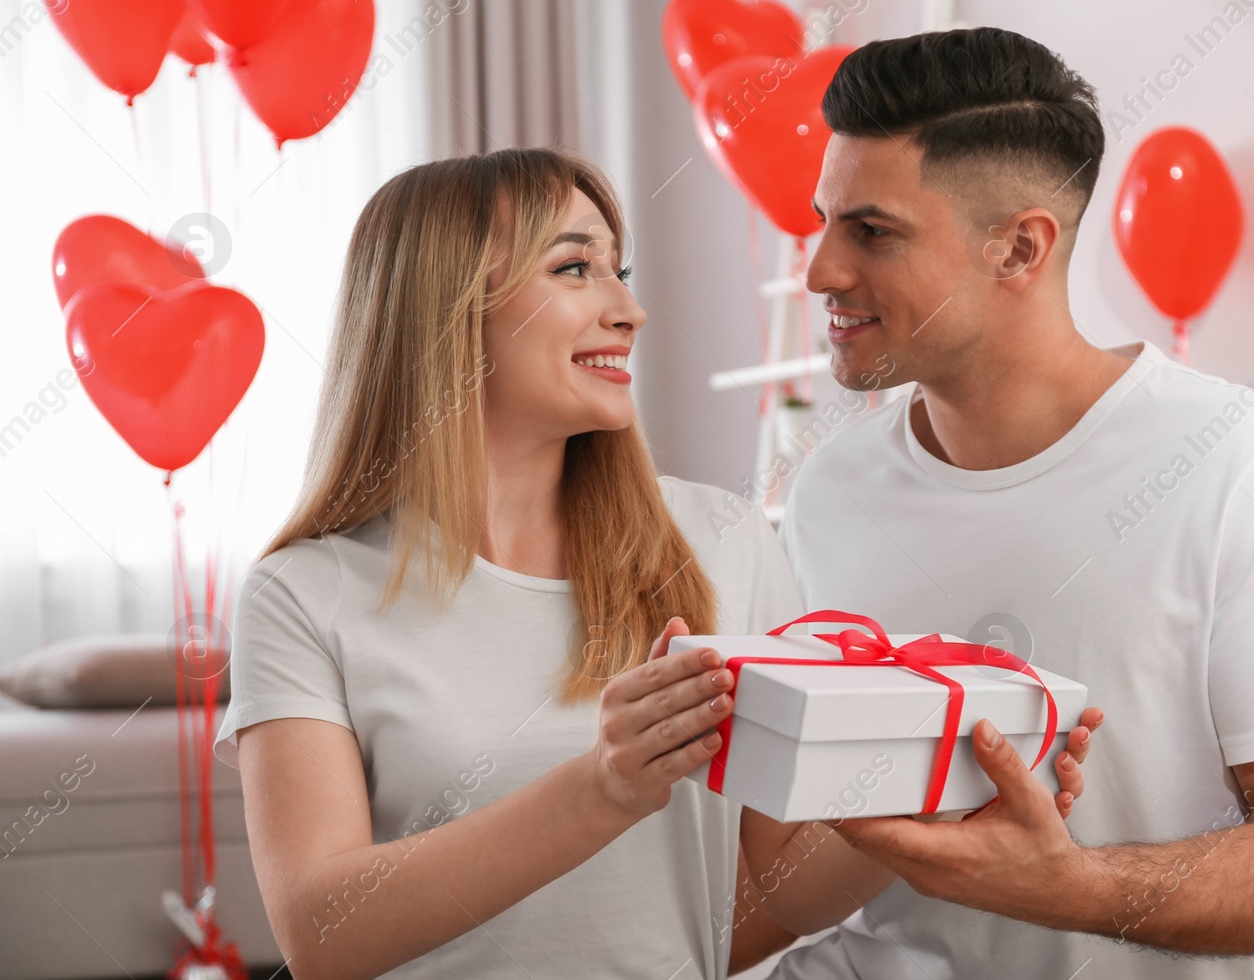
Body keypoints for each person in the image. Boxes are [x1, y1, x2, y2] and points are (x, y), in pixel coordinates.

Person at [744, 28, 1254, 980]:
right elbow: (796, 866)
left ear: (1019, 246)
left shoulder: (1246, 467)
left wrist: (1067, 884)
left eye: (871, 231)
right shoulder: (829, 491)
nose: (819, 271)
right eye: (823, 220)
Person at [214, 147, 821, 978]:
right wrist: (600, 788)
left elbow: (752, 904)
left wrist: (932, 802)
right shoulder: (302, 595)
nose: (631, 309)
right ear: (448, 309)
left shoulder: (725, 537)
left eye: (620, 269)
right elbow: (323, 935)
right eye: (575, 267)